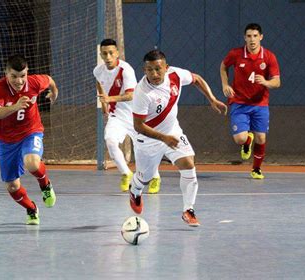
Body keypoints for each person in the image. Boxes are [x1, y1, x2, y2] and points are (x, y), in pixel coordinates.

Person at [130, 50, 227, 227]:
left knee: (188, 164)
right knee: (146, 178)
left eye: (158, 69)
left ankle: (188, 210)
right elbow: (138, 126)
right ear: (144, 70)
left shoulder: (175, 75)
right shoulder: (142, 92)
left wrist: (212, 99)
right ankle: (135, 190)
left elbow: (196, 78)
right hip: (148, 139)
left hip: (172, 132)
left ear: (166, 68)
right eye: (149, 70)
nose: (154, 74)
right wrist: (163, 138)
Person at [0, 54, 58, 225]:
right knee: (12, 186)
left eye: (22, 76)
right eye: (14, 76)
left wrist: (54, 93)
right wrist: (16, 106)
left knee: (32, 163)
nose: (19, 81)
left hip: (31, 131)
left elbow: (49, 80)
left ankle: (45, 186)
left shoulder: (34, 82)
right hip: (7, 140)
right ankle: (31, 208)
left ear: (27, 73)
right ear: (6, 74)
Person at [93, 39, 161, 193]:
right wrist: (104, 103)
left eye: (111, 53)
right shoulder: (98, 70)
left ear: (117, 53)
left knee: (144, 151)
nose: (108, 56)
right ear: (101, 55)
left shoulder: (126, 70)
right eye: (105, 53)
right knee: (110, 141)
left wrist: (109, 99)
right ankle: (126, 173)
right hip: (116, 116)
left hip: (136, 115)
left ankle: (155, 177)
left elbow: (131, 95)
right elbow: (99, 84)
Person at [220, 23, 281, 179]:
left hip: (260, 104)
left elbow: (277, 81)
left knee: (261, 138)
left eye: (255, 36)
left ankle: (256, 169)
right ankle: (247, 141)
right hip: (239, 102)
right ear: (244, 38)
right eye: (249, 36)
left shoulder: (269, 57)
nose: (252, 39)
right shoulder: (236, 54)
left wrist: (266, 83)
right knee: (240, 138)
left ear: (261, 37)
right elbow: (223, 66)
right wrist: (225, 84)